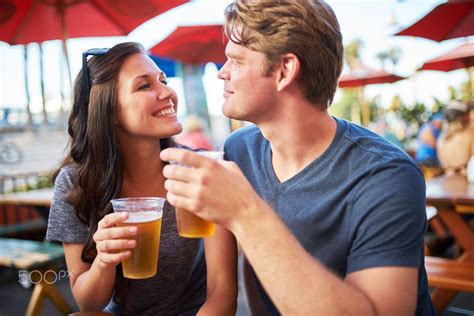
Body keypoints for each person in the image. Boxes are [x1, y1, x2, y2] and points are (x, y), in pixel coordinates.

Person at [160, 1, 434, 315]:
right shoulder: (238, 150)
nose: (223, 73)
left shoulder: (386, 175)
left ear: (284, 71)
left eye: (236, 60)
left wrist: (246, 213)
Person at [45, 42, 237, 315]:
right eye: (144, 86)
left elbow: (222, 293)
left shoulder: (198, 169)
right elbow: (88, 304)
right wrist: (104, 260)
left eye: (163, 80)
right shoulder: (76, 183)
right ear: (108, 110)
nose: (168, 92)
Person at [437, 100, 473, 176]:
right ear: (462, 117)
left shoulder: (441, 139)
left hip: (448, 179)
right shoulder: (469, 133)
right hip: (465, 178)